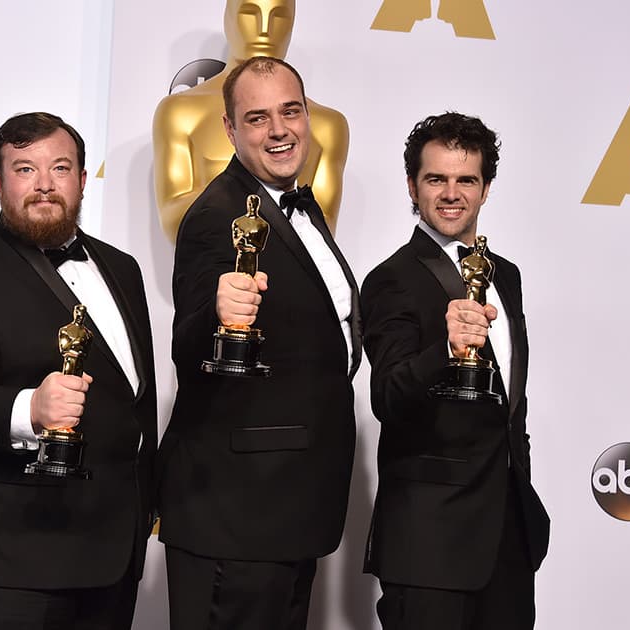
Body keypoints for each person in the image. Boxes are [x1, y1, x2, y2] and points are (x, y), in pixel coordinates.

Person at [0, 112, 157, 630]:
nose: (44, 184)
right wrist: (28, 409)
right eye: (24, 169)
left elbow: (133, 402)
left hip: (110, 556)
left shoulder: (122, 268)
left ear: (83, 180)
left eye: (60, 168)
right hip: (5, 558)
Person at [157, 56, 361, 630]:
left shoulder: (300, 206)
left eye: (290, 111)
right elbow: (190, 347)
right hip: (238, 512)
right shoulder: (216, 217)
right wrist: (217, 315)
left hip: (289, 505)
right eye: (257, 118)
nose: (278, 130)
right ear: (229, 130)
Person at [360, 112, 550, 630]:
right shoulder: (391, 279)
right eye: (435, 179)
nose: (451, 193)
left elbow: (511, 403)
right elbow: (388, 395)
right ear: (412, 186)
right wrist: (445, 347)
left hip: (508, 540)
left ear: (486, 188)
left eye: (465, 179)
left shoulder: (504, 275)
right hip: (430, 544)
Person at [152, 0, 349, 241]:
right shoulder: (180, 112)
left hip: (291, 276)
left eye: (279, 16)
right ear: (228, 18)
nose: (264, 28)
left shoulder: (328, 125)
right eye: (249, 13)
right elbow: (175, 223)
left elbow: (323, 229)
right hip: (213, 271)